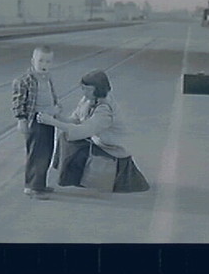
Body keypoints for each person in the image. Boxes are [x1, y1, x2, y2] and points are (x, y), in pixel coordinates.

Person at [37, 70, 149, 193]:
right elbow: (75, 120)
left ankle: (80, 177)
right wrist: (57, 116)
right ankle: (73, 177)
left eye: (88, 90)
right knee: (65, 138)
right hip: (99, 141)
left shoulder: (105, 110)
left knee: (72, 144)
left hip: (113, 148)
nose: (84, 92)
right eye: (83, 88)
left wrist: (52, 122)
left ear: (99, 90)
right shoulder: (88, 100)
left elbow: (82, 130)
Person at [12, 45, 60, 200]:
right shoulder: (25, 80)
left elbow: (51, 96)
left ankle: (40, 183)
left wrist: (56, 108)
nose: (44, 65)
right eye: (41, 61)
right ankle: (32, 187)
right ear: (33, 61)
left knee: (47, 152)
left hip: (48, 120)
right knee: (36, 154)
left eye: (48, 61)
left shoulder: (47, 78)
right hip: (36, 121)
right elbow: (19, 101)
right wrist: (21, 119)